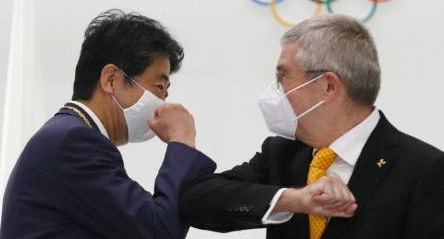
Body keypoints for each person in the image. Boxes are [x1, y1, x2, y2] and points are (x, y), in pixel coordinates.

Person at [178, 14, 444, 239]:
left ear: (328, 86)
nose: (276, 89)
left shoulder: (426, 169)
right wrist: (294, 200)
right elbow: (195, 201)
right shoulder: (282, 152)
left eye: (282, 76)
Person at [0, 9, 216, 239]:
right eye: (159, 88)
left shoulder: (65, 134)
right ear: (111, 79)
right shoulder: (74, 143)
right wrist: (182, 140)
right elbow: (158, 231)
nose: (163, 103)